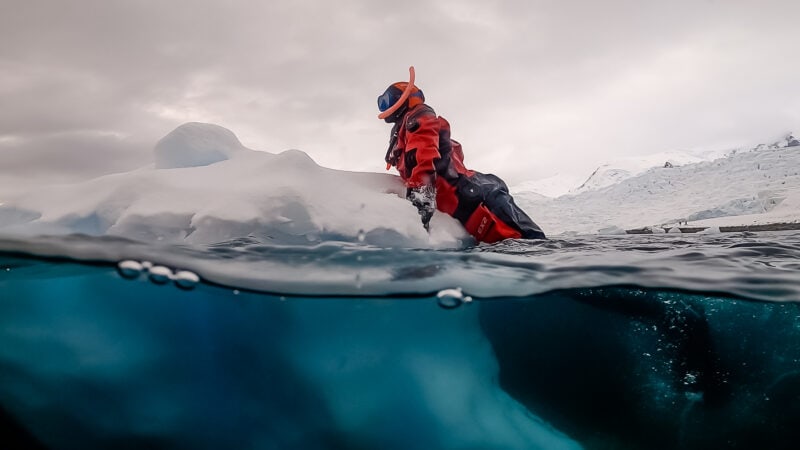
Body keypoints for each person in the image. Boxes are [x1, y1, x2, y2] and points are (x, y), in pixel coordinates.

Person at [377, 67, 546, 243]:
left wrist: (421, 199)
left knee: (534, 243)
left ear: (402, 99)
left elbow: (425, 156)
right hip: (466, 198)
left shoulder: (419, 117)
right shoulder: (402, 131)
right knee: (522, 245)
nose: (384, 106)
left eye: (387, 100)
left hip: (476, 196)